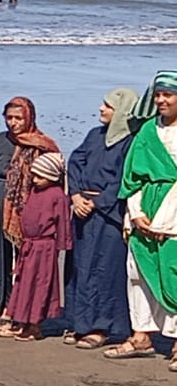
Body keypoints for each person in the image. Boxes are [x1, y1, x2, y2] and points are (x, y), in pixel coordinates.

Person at [105, 73, 177, 364]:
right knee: (138, 276)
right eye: (157, 94)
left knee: (171, 276)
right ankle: (141, 335)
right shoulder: (147, 132)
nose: (161, 100)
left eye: (168, 95)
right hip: (143, 215)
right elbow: (133, 178)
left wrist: (166, 221)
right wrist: (136, 214)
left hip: (172, 217)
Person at [63, 88, 140, 349]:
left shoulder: (130, 142)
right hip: (82, 210)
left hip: (108, 215)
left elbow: (125, 179)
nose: (101, 109)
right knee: (79, 267)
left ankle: (102, 327)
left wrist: (98, 201)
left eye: (107, 106)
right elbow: (75, 161)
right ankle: (77, 322)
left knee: (105, 270)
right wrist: (75, 195)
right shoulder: (94, 136)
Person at [0, 97, 59, 331]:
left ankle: (15, 310)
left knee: (22, 260)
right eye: (9, 118)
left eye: (18, 118)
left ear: (29, 117)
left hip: (26, 206)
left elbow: (53, 179)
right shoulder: (0, 141)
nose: (13, 123)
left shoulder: (42, 145)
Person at [3, 152, 70, 341]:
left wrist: (63, 244)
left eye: (41, 176)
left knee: (40, 283)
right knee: (24, 282)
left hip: (45, 248)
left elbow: (63, 222)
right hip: (29, 245)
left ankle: (35, 325)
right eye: (34, 175)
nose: (36, 179)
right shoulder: (35, 191)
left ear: (52, 177)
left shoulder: (58, 196)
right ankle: (21, 320)